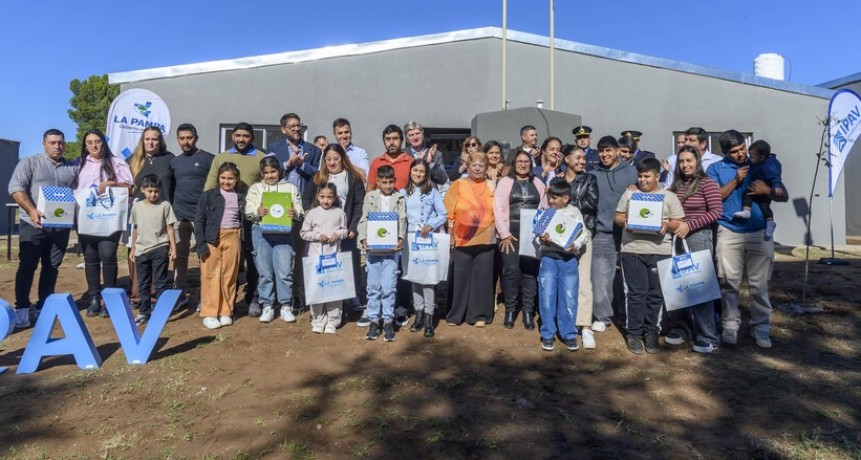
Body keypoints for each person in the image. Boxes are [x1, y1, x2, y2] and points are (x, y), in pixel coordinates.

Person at [707, 130, 787, 349]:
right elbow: (713, 198)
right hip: (729, 231)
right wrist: (735, 180)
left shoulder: (759, 162)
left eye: (743, 148)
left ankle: (761, 327)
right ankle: (730, 325)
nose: (741, 154)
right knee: (728, 282)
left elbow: (783, 195)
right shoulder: (715, 169)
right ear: (725, 152)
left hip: (759, 232)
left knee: (759, 285)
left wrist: (769, 190)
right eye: (735, 152)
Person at [614, 158, 685, 354]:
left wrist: (666, 225)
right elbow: (618, 216)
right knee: (636, 293)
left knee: (656, 294)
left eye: (647, 176)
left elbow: (678, 222)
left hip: (660, 250)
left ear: (657, 176)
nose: (642, 180)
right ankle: (634, 333)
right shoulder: (630, 193)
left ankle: (652, 331)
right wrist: (627, 222)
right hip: (632, 249)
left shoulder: (668, 197)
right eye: (640, 176)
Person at [8, 129, 77, 328]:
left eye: (61, 143)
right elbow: (15, 188)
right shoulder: (29, 163)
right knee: (28, 265)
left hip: (59, 227)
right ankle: (22, 308)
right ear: (44, 143)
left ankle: (43, 306)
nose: (58, 146)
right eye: (53, 142)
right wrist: (31, 210)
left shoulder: (71, 167)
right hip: (33, 224)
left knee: (52, 267)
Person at [665, 146, 723, 353]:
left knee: (700, 286)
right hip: (677, 237)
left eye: (689, 160)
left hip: (698, 236)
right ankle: (681, 329)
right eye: (681, 161)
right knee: (679, 283)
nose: (685, 165)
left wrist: (690, 225)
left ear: (697, 161)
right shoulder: (676, 185)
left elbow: (716, 211)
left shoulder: (707, 183)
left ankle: (707, 335)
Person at [205, 122, 267, 315]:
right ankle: (220, 301)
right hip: (226, 218)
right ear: (232, 136)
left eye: (246, 136)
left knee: (254, 257)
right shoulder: (221, 157)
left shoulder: (261, 158)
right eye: (238, 135)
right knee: (225, 262)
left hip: (253, 218)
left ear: (252, 138)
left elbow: (269, 185)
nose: (241, 139)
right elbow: (209, 188)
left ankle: (253, 297)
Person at [303, 144, 367, 325]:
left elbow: (358, 204)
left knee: (346, 264)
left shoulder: (352, 178)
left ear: (343, 159)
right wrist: (309, 213)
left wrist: (353, 226)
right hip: (322, 233)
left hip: (343, 231)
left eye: (336, 159)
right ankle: (322, 304)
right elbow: (307, 198)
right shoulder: (317, 178)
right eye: (328, 159)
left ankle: (349, 299)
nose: (332, 162)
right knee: (324, 268)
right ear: (324, 160)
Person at [74, 129, 134, 317]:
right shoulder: (79, 165)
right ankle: (94, 298)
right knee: (90, 258)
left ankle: (109, 298)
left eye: (98, 141)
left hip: (109, 217)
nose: (94, 145)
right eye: (90, 142)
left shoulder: (117, 162)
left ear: (104, 143)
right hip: (86, 218)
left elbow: (130, 187)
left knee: (107, 255)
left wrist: (110, 184)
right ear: (85, 145)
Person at [245, 156, 304, 324]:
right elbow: (248, 213)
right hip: (261, 233)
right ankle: (267, 305)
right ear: (261, 174)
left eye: (273, 172)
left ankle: (285, 305)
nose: (270, 176)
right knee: (265, 272)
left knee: (285, 270)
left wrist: (295, 213)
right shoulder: (256, 189)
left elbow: (300, 211)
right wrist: (259, 211)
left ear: (279, 171)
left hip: (284, 233)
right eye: (266, 173)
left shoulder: (290, 188)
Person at [590, 136, 637, 332]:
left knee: (630, 277)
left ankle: (627, 315)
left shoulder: (632, 172)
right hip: (602, 232)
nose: (605, 154)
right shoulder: (592, 174)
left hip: (630, 232)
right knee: (600, 277)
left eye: (609, 150)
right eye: (601, 151)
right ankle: (602, 316)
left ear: (618, 150)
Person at [445, 150, 496, 326]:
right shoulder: (458, 184)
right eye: (473, 165)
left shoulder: (492, 185)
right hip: (462, 238)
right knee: (460, 277)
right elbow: (449, 211)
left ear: (486, 167)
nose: (477, 168)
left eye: (481, 165)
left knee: (482, 277)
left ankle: (479, 315)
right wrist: (450, 235)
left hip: (486, 238)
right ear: (468, 166)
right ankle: (456, 315)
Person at [495, 150, 544, 330]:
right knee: (511, 270)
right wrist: (504, 233)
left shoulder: (537, 182)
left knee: (530, 273)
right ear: (514, 163)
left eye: (526, 162)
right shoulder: (505, 182)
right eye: (519, 161)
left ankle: (528, 312)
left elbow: (544, 206)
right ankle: (510, 309)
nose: (523, 164)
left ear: (530, 164)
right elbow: (498, 208)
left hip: (532, 234)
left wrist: (539, 232)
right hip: (511, 233)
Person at [537, 180, 589, 351]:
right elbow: (536, 235)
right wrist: (541, 238)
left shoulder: (574, 212)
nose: (551, 201)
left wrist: (576, 245)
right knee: (547, 295)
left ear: (565, 198)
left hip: (568, 260)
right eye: (550, 197)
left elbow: (583, 234)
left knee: (569, 296)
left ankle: (569, 334)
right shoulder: (546, 211)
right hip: (548, 258)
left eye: (554, 198)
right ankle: (548, 333)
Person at [557, 144, 599, 349]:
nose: (583, 161)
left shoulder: (590, 179)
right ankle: (564, 321)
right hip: (559, 236)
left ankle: (585, 326)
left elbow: (592, 203)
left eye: (584, 158)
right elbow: (551, 205)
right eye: (578, 157)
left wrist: (566, 203)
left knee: (584, 280)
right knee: (563, 280)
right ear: (566, 159)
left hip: (583, 234)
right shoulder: (557, 181)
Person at [358, 165, 407, 341]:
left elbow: (402, 219)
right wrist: (363, 238)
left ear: (394, 181)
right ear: (377, 182)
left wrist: (400, 238)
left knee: (388, 287)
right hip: (373, 252)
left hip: (391, 252)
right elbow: (364, 218)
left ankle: (387, 321)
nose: (387, 185)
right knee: (373, 288)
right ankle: (373, 320)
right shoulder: (370, 197)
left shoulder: (399, 197)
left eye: (390, 182)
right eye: (384, 182)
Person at [128, 127, 175, 308]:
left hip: (161, 215)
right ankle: (138, 296)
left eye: (154, 139)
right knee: (138, 258)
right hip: (140, 215)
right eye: (147, 139)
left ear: (160, 141)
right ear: (143, 140)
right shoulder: (133, 160)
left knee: (159, 257)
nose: (151, 142)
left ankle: (157, 297)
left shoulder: (169, 159)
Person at [401, 159, 447, 337]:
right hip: (409, 240)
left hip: (426, 238)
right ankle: (418, 313)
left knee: (427, 278)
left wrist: (430, 224)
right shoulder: (403, 192)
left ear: (426, 174)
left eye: (422, 171)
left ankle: (429, 315)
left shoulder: (432, 192)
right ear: (410, 172)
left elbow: (442, 214)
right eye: (415, 170)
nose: (418, 174)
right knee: (414, 277)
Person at [196, 162, 244, 330]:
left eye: (230, 178)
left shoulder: (240, 197)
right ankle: (210, 313)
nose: (226, 181)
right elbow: (200, 220)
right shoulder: (208, 196)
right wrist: (201, 244)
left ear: (236, 179)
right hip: (212, 238)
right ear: (218, 179)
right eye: (223, 178)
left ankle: (226, 310)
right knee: (210, 275)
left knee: (229, 275)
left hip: (233, 236)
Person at [170, 123, 213, 307]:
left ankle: (206, 296)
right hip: (179, 216)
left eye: (189, 138)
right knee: (179, 257)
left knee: (205, 256)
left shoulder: (208, 158)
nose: (186, 142)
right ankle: (180, 294)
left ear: (196, 137)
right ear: (178, 140)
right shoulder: (175, 162)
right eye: (182, 138)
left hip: (201, 217)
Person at [129, 174, 177, 325]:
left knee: (160, 282)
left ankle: (161, 312)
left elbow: (170, 228)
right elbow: (135, 227)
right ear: (143, 190)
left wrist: (173, 248)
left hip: (160, 248)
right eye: (150, 191)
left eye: (156, 191)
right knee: (143, 283)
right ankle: (144, 311)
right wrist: (133, 247)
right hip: (141, 250)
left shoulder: (165, 206)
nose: (153, 194)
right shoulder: (136, 206)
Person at [301, 183, 349, 334]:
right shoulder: (312, 213)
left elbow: (344, 230)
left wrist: (337, 234)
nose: (326, 200)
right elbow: (303, 233)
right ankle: (318, 319)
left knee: (334, 288)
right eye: (322, 197)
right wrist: (317, 236)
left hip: (334, 256)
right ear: (317, 196)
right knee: (317, 288)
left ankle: (333, 320)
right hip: (316, 257)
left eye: (329, 197)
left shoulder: (339, 212)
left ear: (335, 197)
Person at [732, 140, 785, 241]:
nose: (749, 159)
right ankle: (769, 222)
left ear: (762, 157)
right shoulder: (757, 162)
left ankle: (748, 211)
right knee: (763, 205)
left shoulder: (770, 165)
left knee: (749, 195)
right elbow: (751, 165)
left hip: (765, 187)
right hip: (757, 186)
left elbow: (775, 177)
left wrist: (777, 187)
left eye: (752, 157)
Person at [268, 113, 322, 195]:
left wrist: (302, 165)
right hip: (280, 198)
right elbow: (268, 171)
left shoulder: (314, 150)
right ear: (283, 129)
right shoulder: (274, 148)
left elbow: (319, 174)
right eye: (292, 126)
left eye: (298, 125)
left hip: (305, 200)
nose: (296, 129)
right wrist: (286, 164)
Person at [403, 121, 449, 186]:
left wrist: (430, 164)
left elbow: (443, 179)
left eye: (417, 133)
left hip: (429, 194)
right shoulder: (402, 154)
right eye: (411, 135)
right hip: (409, 193)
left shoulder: (436, 154)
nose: (415, 137)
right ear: (407, 138)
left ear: (423, 134)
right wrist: (416, 162)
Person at [368, 125, 413, 191]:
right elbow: (370, 189)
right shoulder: (376, 163)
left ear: (402, 140)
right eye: (388, 139)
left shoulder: (411, 163)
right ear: (384, 141)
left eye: (395, 138)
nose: (391, 142)